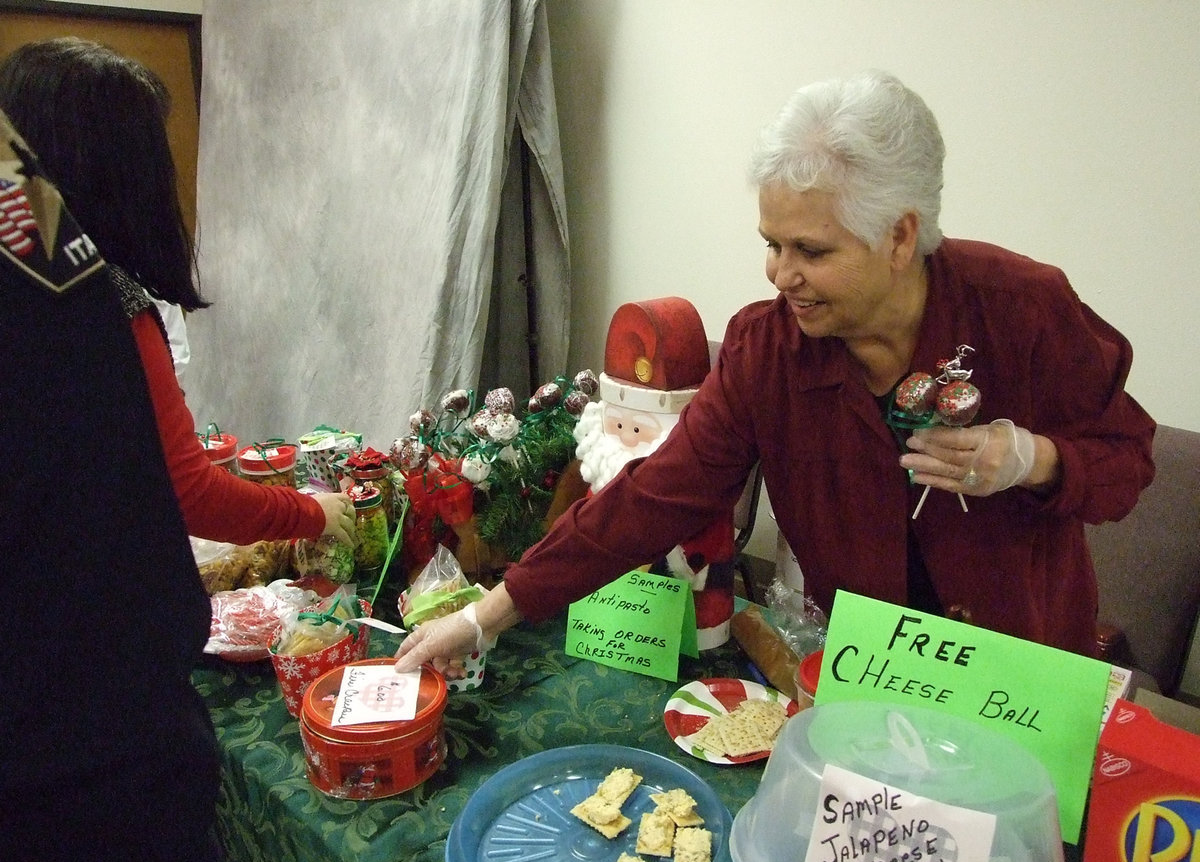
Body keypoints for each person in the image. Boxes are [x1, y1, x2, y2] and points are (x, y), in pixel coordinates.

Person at [394, 70, 1155, 678]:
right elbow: (654, 499)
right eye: (771, 243)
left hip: (1021, 676)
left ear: (899, 235)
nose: (780, 274)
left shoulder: (1021, 307)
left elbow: (1127, 461)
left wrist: (1033, 459)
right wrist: (481, 616)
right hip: (873, 675)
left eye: (811, 251)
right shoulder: (768, 353)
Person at [0, 37, 356, 548]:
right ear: (118, 170)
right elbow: (188, 492)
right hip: (85, 605)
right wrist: (309, 512)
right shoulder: (97, 300)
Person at [2, 110, 224, 862]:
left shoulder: (51, 241)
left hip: (89, 723)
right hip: (89, 739)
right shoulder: (91, 288)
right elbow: (187, 487)